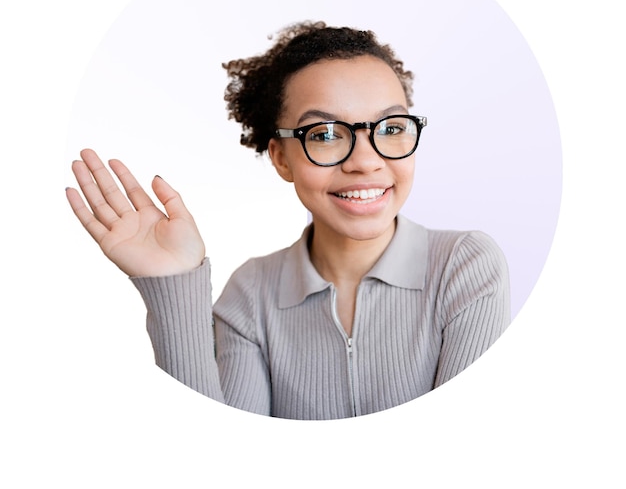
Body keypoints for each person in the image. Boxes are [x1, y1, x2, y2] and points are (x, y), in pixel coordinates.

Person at [66, 21, 510, 420]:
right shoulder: (251, 294)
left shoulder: (466, 267)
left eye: (390, 128)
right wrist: (174, 283)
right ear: (281, 158)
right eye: (326, 135)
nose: (365, 162)